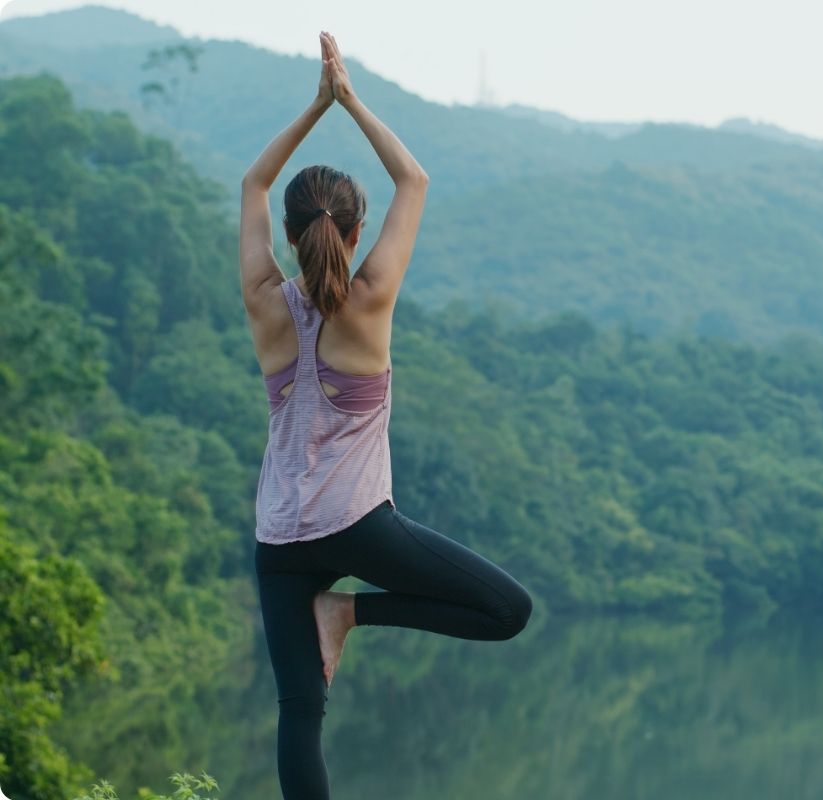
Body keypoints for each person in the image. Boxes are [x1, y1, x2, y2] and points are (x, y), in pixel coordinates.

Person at [239, 30, 533, 800]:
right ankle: (351, 613)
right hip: (356, 523)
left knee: (300, 715)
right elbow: (415, 178)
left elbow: (251, 186)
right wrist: (349, 98)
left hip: (278, 536)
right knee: (508, 610)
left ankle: (338, 611)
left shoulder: (265, 301)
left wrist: (312, 109)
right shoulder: (370, 301)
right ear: (355, 232)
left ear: (295, 237)